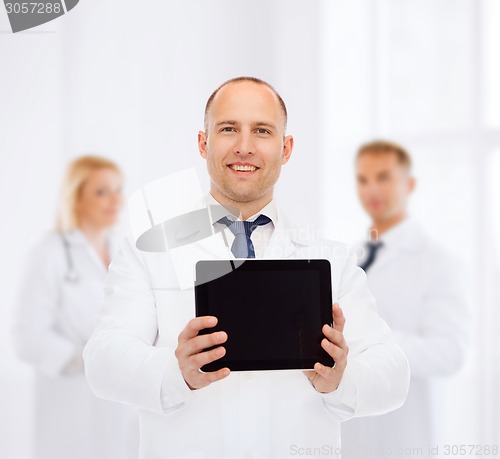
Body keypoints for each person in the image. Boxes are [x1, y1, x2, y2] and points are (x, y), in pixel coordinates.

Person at [83, 77, 410, 459]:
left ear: (286, 148)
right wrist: (175, 372)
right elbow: (103, 360)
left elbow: (394, 373)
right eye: (228, 129)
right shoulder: (149, 249)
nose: (244, 146)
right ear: (203, 143)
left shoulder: (331, 258)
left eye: (262, 131)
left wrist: (341, 380)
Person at [341, 140, 470, 458]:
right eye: (363, 179)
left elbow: (449, 352)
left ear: (409, 184)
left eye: (384, 177)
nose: (372, 189)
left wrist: (372, 345)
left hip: (403, 434)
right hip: (348, 427)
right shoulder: (348, 256)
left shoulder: (437, 260)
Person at [12, 156, 139, 459]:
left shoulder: (125, 250)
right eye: (101, 192)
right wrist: (85, 360)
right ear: (76, 197)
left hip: (121, 399)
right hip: (70, 400)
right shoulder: (49, 252)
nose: (115, 200)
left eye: (118, 190)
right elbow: (26, 337)